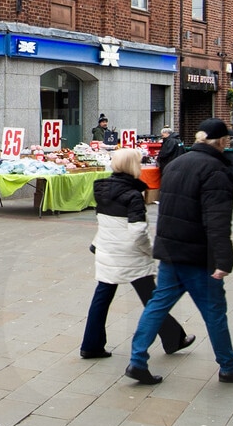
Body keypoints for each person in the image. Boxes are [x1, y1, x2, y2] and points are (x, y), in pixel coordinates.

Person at [123, 119, 233, 387]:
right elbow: (218, 219)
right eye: (228, 139)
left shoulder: (177, 163)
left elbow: (165, 208)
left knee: (157, 305)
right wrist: (223, 259)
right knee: (214, 310)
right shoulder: (216, 170)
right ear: (221, 141)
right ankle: (229, 366)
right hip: (197, 255)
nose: (229, 143)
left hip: (171, 250)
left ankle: (137, 360)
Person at [80, 148, 191, 358]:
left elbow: (105, 222)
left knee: (102, 298)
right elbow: (138, 231)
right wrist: (150, 251)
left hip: (107, 250)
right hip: (130, 254)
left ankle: (90, 345)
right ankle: (172, 338)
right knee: (152, 299)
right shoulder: (133, 194)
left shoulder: (101, 189)